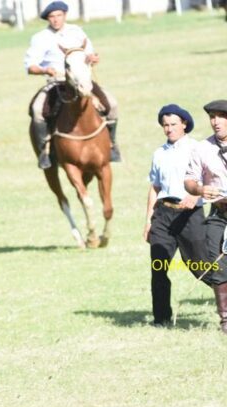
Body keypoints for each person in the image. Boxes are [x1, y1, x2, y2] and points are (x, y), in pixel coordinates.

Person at [24, 1, 120, 169]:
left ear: (65, 15)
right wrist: (45, 70)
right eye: (52, 17)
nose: (56, 19)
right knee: (38, 110)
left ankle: (111, 144)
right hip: (57, 82)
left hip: (81, 80)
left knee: (112, 104)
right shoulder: (40, 38)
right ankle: (44, 151)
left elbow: (89, 54)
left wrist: (92, 58)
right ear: (48, 19)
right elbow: (30, 66)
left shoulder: (77, 31)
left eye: (59, 15)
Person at [143, 104, 207, 326]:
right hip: (163, 214)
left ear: (184, 124)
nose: (169, 129)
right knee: (158, 267)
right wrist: (148, 221)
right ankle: (161, 319)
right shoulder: (159, 153)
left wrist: (196, 197)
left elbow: (211, 181)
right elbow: (155, 188)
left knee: (201, 266)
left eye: (173, 124)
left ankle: (223, 306)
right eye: (165, 125)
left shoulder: (198, 149)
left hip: (190, 215)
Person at [184, 100, 227, 334]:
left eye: (221, 116)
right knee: (217, 264)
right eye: (212, 117)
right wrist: (200, 190)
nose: (216, 122)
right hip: (219, 213)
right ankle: (225, 321)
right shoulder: (202, 148)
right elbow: (189, 180)